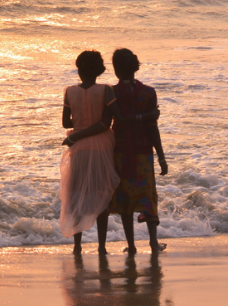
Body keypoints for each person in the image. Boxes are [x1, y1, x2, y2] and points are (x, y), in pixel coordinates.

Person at [59, 50, 120, 254]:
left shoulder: (69, 92)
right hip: (101, 147)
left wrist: (77, 131)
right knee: (101, 194)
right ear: (100, 70)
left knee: (77, 196)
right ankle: (102, 247)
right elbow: (105, 124)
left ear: (79, 69)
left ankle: (77, 247)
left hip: (78, 148)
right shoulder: (106, 90)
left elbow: (66, 122)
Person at [109, 48, 168, 254]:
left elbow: (108, 124)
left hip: (120, 153)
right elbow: (153, 128)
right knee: (148, 196)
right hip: (144, 152)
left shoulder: (112, 93)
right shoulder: (148, 92)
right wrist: (161, 157)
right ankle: (153, 243)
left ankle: (132, 245)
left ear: (116, 70)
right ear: (135, 67)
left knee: (125, 197)